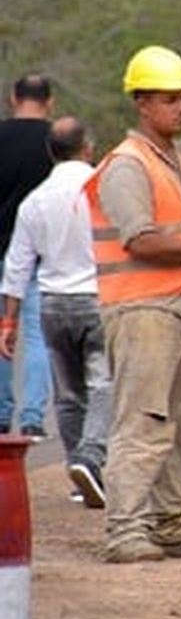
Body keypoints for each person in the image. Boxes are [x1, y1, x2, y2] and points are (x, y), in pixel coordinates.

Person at [85, 45, 181, 563]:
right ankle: (125, 530)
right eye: (171, 99)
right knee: (143, 421)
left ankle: (168, 522)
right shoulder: (126, 166)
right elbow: (141, 240)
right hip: (141, 310)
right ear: (142, 103)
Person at [1, 117, 111, 507]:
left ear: (51, 152)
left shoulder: (35, 200)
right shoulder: (102, 191)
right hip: (97, 299)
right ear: (88, 148)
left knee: (68, 394)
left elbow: (17, 265)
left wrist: (9, 319)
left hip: (52, 303)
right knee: (102, 384)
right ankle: (91, 457)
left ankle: (78, 473)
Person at [0, 74, 57, 438]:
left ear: (12, 98)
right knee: (38, 337)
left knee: (2, 335)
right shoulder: (58, 142)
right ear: (50, 102)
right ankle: (33, 416)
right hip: (40, 254)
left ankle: (1, 413)